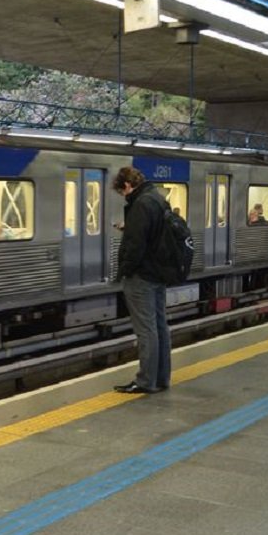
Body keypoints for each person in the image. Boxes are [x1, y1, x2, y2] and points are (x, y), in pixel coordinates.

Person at [111, 165, 172, 394]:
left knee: (146, 330)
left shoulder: (140, 204)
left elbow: (136, 246)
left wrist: (124, 270)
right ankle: (161, 378)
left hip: (142, 276)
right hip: (157, 273)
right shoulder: (157, 199)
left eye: (122, 192)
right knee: (159, 326)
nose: (124, 196)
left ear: (127, 185)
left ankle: (146, 380)